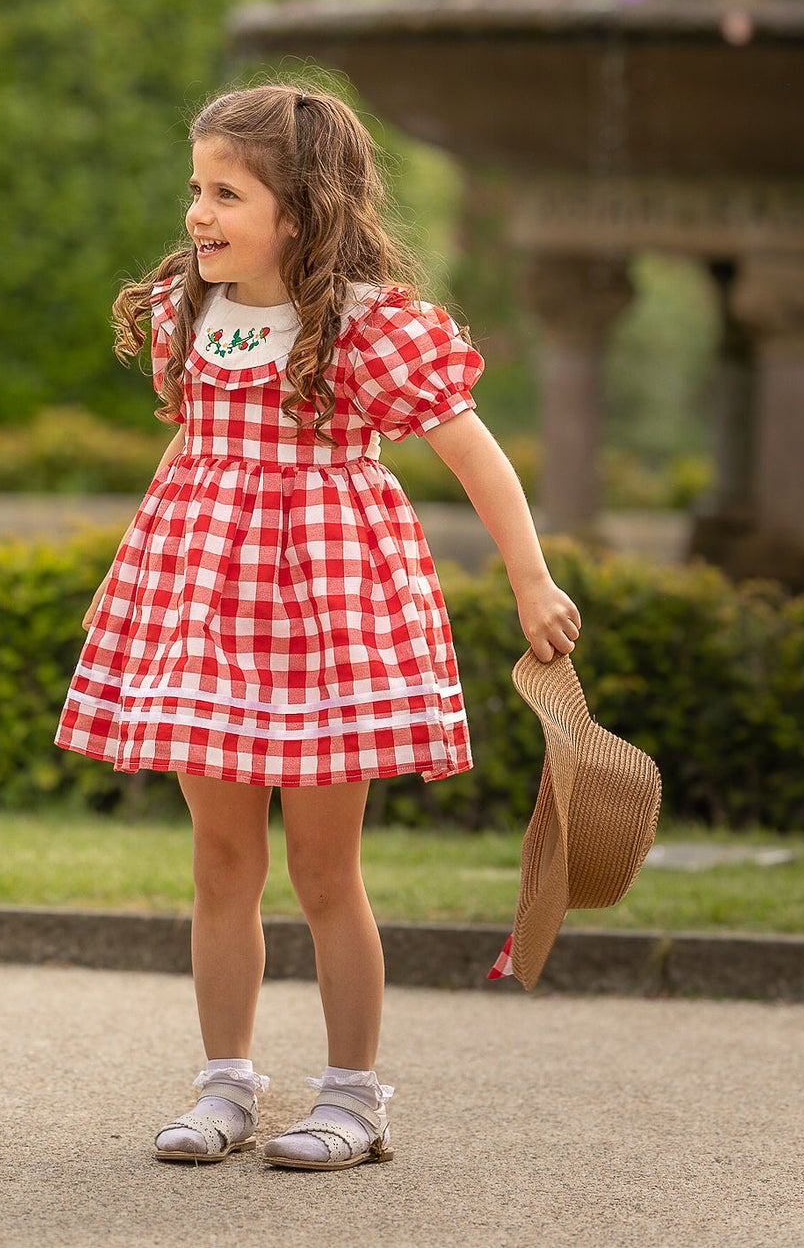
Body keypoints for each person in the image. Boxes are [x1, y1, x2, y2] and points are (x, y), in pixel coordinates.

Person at [55, 81, 580, 1171]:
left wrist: (531, 581)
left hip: (326, 610)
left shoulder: (371, 325)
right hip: (206, 607)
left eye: (227, 192)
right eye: (196, 187)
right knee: (219, 858)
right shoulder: (189, 310)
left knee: (325, 868)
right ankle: (225, 1084)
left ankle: (353, 1095)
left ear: (300, 207)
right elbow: (194, 449)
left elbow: (474, 454)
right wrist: (153, 567)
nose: (198, 213)